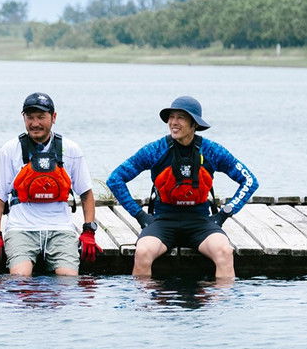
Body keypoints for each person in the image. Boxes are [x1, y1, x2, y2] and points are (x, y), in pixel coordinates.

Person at [106, 95, 259, 279]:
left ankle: (220, 306)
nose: (173, 122)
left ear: (194, 124)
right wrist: (140, 215)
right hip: (163, 221)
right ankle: (145, 306)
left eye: (181, 117)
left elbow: (249, 180)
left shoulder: (211, 151)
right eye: (171, 117)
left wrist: (224, 213)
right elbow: (115, 179)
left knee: (224, 252)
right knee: (143, 252)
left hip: (200, 222)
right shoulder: (156, 150)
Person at [0, 92, 98, 276]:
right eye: (30, 117)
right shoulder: (9, 150)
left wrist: (89, 231)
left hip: (60, 229)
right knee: (20, 279)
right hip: (21, 228)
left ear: (53, 117)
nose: (35, 123)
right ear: (23, 118)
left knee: (68, 280)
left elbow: (86, 194)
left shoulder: (70, 149)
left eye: (41, 117)